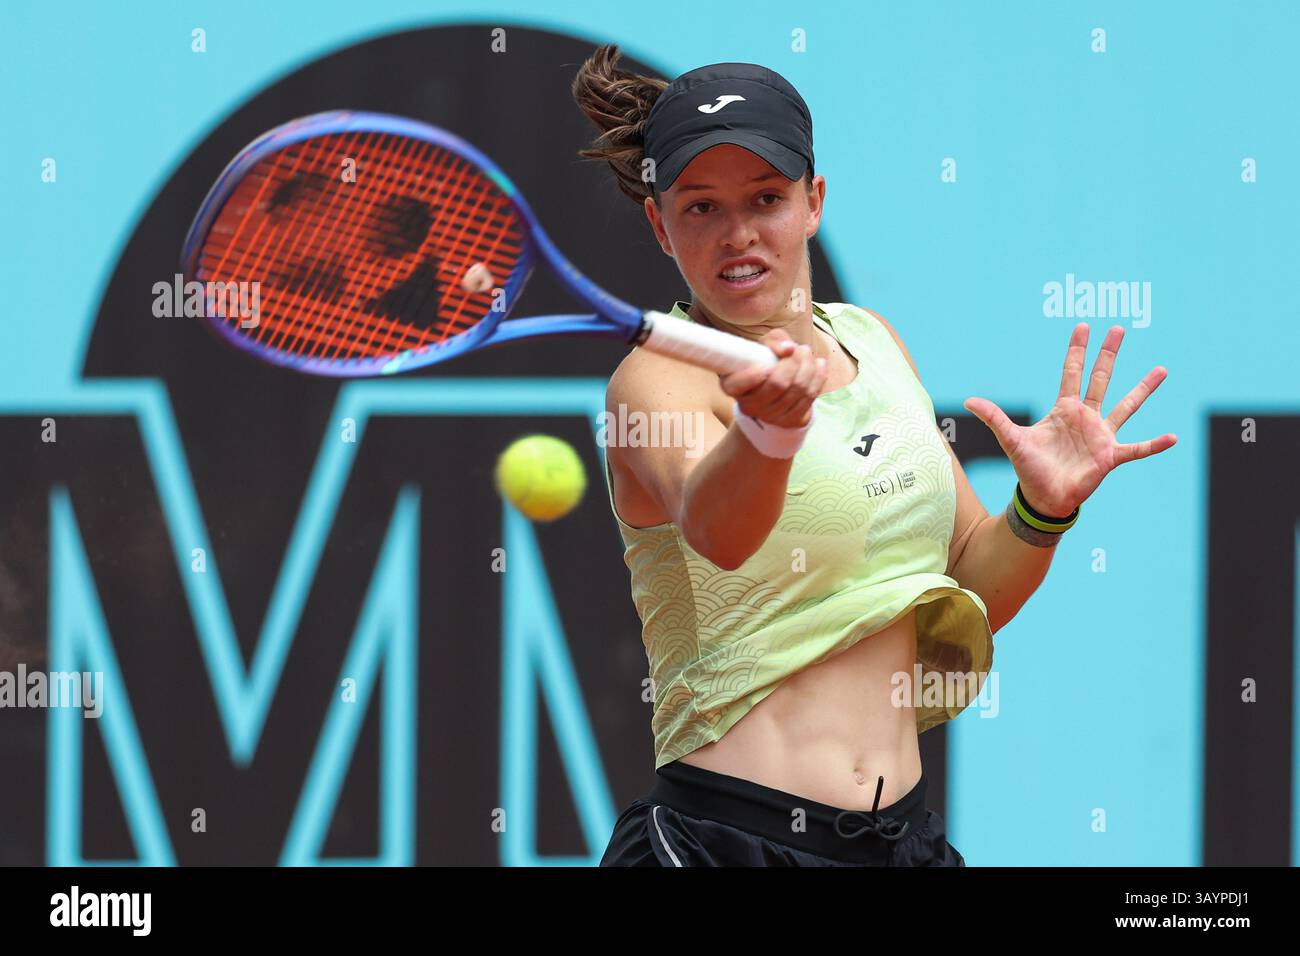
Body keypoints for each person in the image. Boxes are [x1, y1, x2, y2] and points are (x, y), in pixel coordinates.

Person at [572, 45, 1176, 867]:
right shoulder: (654, 380)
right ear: (659, 225)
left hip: (902, 841)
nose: (738, 234)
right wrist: (768, 433)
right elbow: (718, 532)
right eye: (701, 207)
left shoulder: (873, 339)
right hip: (725, 842)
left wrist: (1042, 510)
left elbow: (969, 580)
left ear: (813, 202)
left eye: (766, 198)